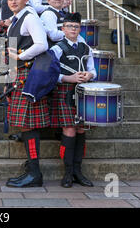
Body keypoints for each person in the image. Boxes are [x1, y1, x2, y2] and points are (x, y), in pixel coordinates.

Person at [3, 0, 49, 188]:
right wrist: (8, 80)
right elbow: (11, 54)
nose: (13, 2)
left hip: (29, 75)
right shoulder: (15, 20)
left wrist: (21, 56)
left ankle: (35, 173)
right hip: (19, 76)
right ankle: (31, 169)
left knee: (28, 125)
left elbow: (42, 44)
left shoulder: (29, 17)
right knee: (23, 124)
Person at [50, 12, 96, 188]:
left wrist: (89, 75)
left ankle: (78, 171)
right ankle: (67, 173)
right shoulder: (56, 48)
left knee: (81, 130)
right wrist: (68, 78)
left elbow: (93, 70)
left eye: (76, 27)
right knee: (69, 130)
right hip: (65, 92)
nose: (73, 29)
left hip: (84, 93)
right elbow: (51, 74)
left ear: (80, 29)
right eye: (69, 26)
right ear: (63, 29)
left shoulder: (87, 48)